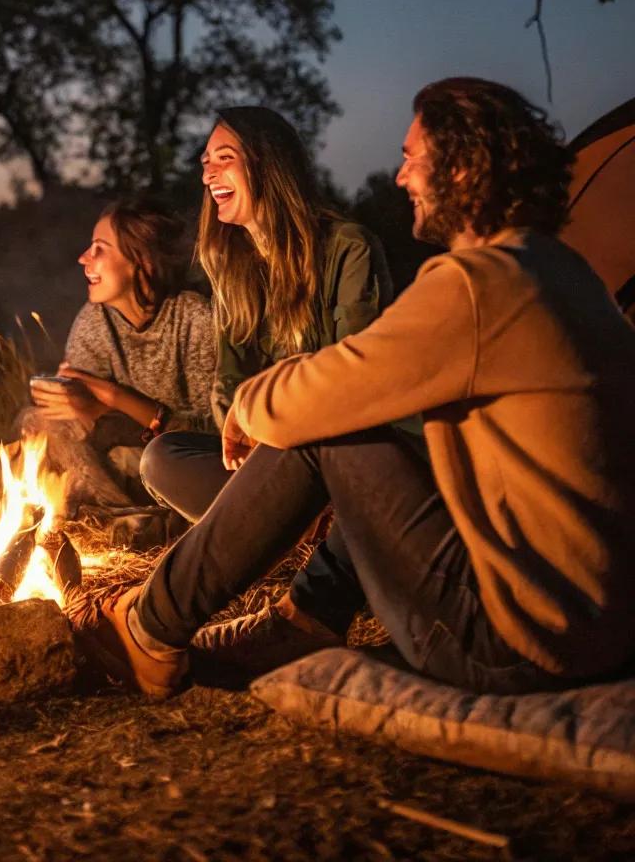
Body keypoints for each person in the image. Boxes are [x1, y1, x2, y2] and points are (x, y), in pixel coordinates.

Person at [69, 79, 635, 699]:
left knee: (324, 425)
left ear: (466, 170)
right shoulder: (560, 270)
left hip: (518, 640)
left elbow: (333, 388)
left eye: (413, 158)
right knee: (309, 423)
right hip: (593, 625)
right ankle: (303, 618)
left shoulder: (475, 284)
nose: (399, 178)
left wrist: (256, 406)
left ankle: (150, 627)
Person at [139, 106, 393, 524]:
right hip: (265, 454)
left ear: (268, 165)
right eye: (206, 163)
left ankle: (303, 530)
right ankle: (286, 530)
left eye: (225, 159)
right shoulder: (233, 266)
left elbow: (357, 378)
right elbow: (230, 386)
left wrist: (275, 423)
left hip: (338, 456)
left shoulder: (347, 248)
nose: (208, 175)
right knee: (162, 457)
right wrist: (249, 438)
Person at [23, 196, 216, 517]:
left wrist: (113, 397)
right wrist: (83, 404)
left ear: (142, 261)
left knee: (147, 460)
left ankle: (135, 519)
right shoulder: (94, 320)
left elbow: (211, 434)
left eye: (100, 248)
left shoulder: (194, 316)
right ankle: (129, 517)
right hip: (124, 460)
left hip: (180, 465)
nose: (84, 258)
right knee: (35, 422)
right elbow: (83, 418)